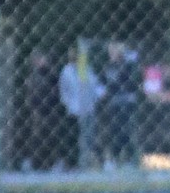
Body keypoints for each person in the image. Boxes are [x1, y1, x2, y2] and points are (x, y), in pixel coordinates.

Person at [58, 42, 104, 170]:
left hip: (87, 108)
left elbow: (94, 85)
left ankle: (96, 161)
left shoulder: (86, 69)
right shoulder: (66, 71)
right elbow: (64, 90)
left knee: (90, 136)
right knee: (72, 137)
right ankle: (72, 163)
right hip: (73, 109)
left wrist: (98, 96)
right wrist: (68, 103)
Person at [100, 40, 143, 168]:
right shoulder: (108, 67)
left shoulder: (129, 65)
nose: (111, 54)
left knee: (127, 130)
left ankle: (130, 160)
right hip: (114, 102)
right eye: (110, 51)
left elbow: (132, 81)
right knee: (114, 130)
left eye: (114, 51)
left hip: (127, 101)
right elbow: (103, 83)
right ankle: (113, 159)